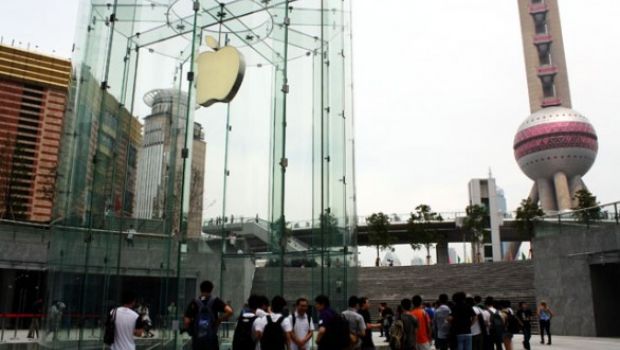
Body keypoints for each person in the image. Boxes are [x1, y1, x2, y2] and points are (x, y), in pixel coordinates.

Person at [183, 280, 234, 350]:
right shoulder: (215, 301)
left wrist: (190, 331)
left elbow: (186, 321)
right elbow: (230, 311)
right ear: (211, 289)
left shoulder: (194, 302)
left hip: (197, 340)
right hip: (211, 338)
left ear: (200, 289)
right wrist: (218, 320)